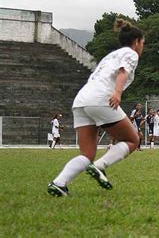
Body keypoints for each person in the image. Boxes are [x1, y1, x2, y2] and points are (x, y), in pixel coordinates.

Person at [47, 19, 144, 197]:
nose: (142, 47)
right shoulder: (131, 54)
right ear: (136, 41)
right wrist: (117, 92)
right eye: (142, 43)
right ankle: (100, 166)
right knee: (132, 140)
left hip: (81, 100)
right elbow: (123, 72)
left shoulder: (110, 56)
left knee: (87, 153)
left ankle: (59, 183)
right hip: (101, 99)